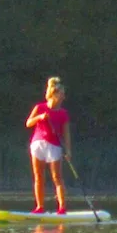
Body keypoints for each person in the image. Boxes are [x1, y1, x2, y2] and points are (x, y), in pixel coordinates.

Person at [26, 76, 72, 214]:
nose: (63, 97)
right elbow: (28, 123)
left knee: (57, 177)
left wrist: (68, 151)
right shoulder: (40, 108)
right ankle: (40, 207)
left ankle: (62, 208)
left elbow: (66, 134)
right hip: (38, 144)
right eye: (61, 95)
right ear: (53, 94)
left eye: (63, 95)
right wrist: (40, 117)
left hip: (54, 146)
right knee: (38, 176)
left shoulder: (63, 113)